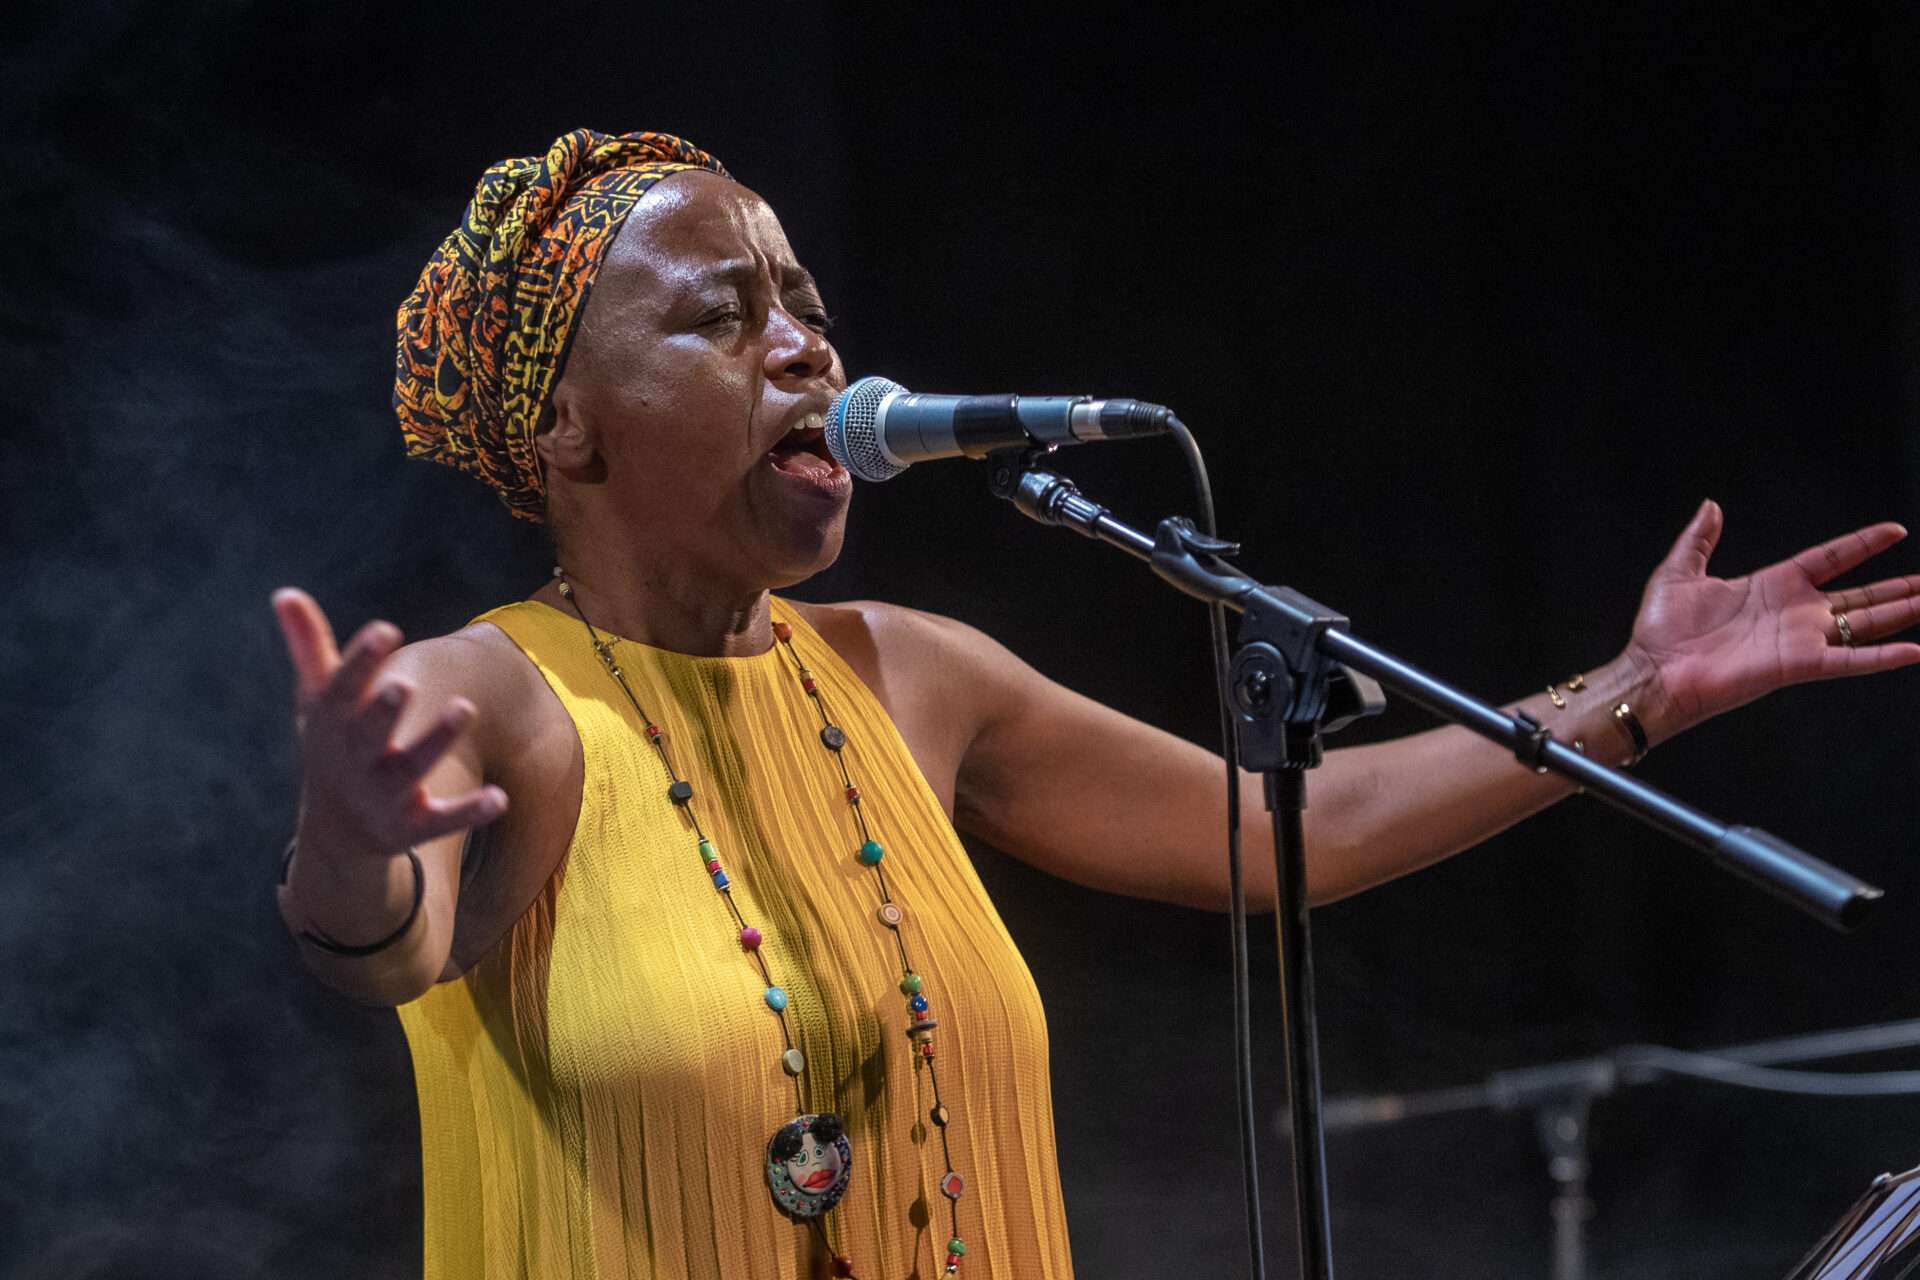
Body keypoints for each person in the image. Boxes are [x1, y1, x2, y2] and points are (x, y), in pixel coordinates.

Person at [272, 130, 1920, 1280]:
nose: (804, 349)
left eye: (807, 309)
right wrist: (350, 840)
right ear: (562, 425)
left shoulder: (906, 673)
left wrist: (1642, 691)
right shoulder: (481, 696)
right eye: (723, 315)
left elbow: (1298, 833)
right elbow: (377, 946)